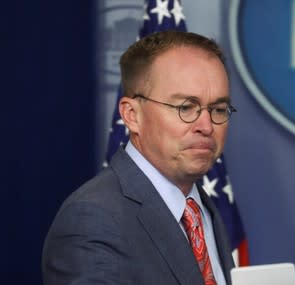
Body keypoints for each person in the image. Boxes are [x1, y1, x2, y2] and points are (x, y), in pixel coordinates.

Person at [42, 30, 236, 285]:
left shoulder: (202, 208)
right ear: (132, 115)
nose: (207, 126)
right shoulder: (92, 219)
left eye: (219, 109)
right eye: (185, 107)